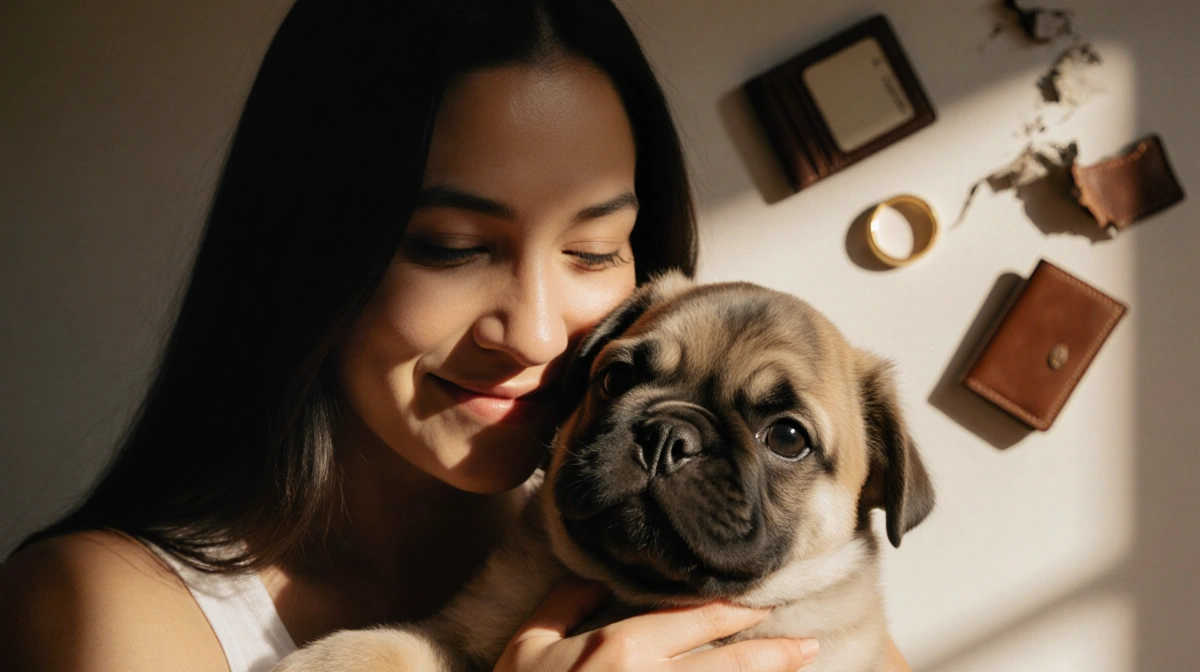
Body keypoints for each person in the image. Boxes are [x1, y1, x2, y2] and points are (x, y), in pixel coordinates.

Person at [0, 1, 912, 670]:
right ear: (307, 251)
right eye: (452, 247)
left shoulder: (815, 617)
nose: (537, 330)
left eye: (593, 250)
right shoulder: (100, 610)